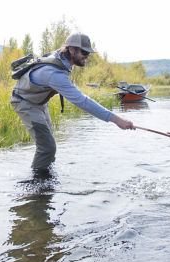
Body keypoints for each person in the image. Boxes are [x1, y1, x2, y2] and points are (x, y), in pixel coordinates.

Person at [10, 32, 135, 172]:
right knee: (47, 148)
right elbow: (82, 101)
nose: (87, 55)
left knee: (48, 145)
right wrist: (117, 120)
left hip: (38, 102)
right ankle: (38, 185)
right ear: (71, 49)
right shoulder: (54, 73)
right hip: (24, 102)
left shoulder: (61, 59)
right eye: (84, 52)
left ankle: (47, 173)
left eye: (88, 52)